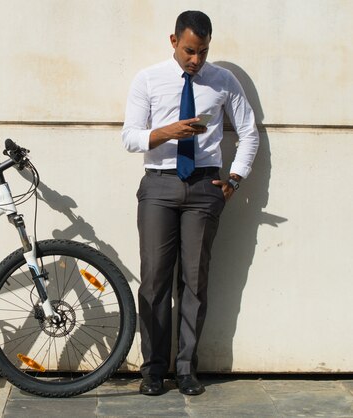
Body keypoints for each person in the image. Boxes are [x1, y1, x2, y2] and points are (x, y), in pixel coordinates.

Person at [121, 10, 259, 396]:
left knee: (195, 282)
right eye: (189, 51)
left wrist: (234, 178)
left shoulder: (223, 81)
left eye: (202, 51)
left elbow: (249, 132)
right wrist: (170, 131)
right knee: (154, 282)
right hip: (159, 186)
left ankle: (186, 369)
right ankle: (152, 370)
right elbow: (130, 137)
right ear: (173, 41)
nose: (195, 60)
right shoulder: (148, 79)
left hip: (204, 187)